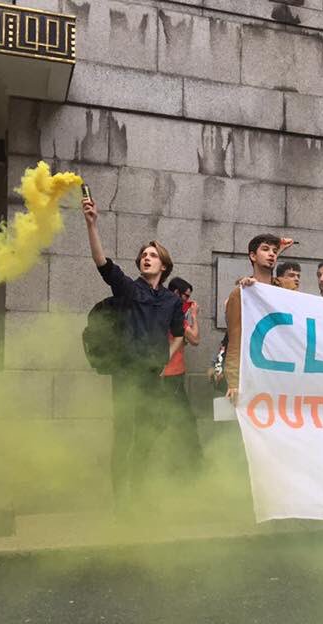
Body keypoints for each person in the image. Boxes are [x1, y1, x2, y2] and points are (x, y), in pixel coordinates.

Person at [82, 195, 185, 507]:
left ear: (163, 265)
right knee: (124, 434)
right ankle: (121, 502)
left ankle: (138, 494)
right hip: (126, 373)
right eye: (143, 255)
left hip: (152, 376)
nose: (146, 258)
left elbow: (179, 333)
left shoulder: (171, 300)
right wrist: (92, 224)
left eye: (153, 255)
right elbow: (102, 263)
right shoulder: (129, 289)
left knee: (147, 435)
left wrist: (165, 356)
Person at [224, 234, 292, 405]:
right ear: (252, 256)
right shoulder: (241, 294)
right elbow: (235, 338)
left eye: (275, 251)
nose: (272, 254)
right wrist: (233, 381)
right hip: (254, 371)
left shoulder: (285, 290)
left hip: (283, 372)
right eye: (265, 249)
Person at [163, 277, 203, 476]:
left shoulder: (161, 307)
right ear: (177, 293)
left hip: (166, 376)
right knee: (184, 424)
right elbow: (195, 338)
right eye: (186, 295)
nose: (188, 299)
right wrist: (194, 315)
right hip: (171, 377)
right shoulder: (174, 312)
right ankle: (191, 468)